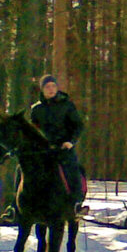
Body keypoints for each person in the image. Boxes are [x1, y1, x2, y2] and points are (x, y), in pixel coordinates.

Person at [31, 74, 88, 216]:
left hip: (64, 148)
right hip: (44, 150)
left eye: (53, 86)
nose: (51, 89)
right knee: (23, 169)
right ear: (42, 90)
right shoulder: (36, 109)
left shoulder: (67, 105)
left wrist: (70, 141)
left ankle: (77, 205)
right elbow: (33, 130)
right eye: (47, 87)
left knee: (72, 169)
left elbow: (78, 126)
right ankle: (15, 207)